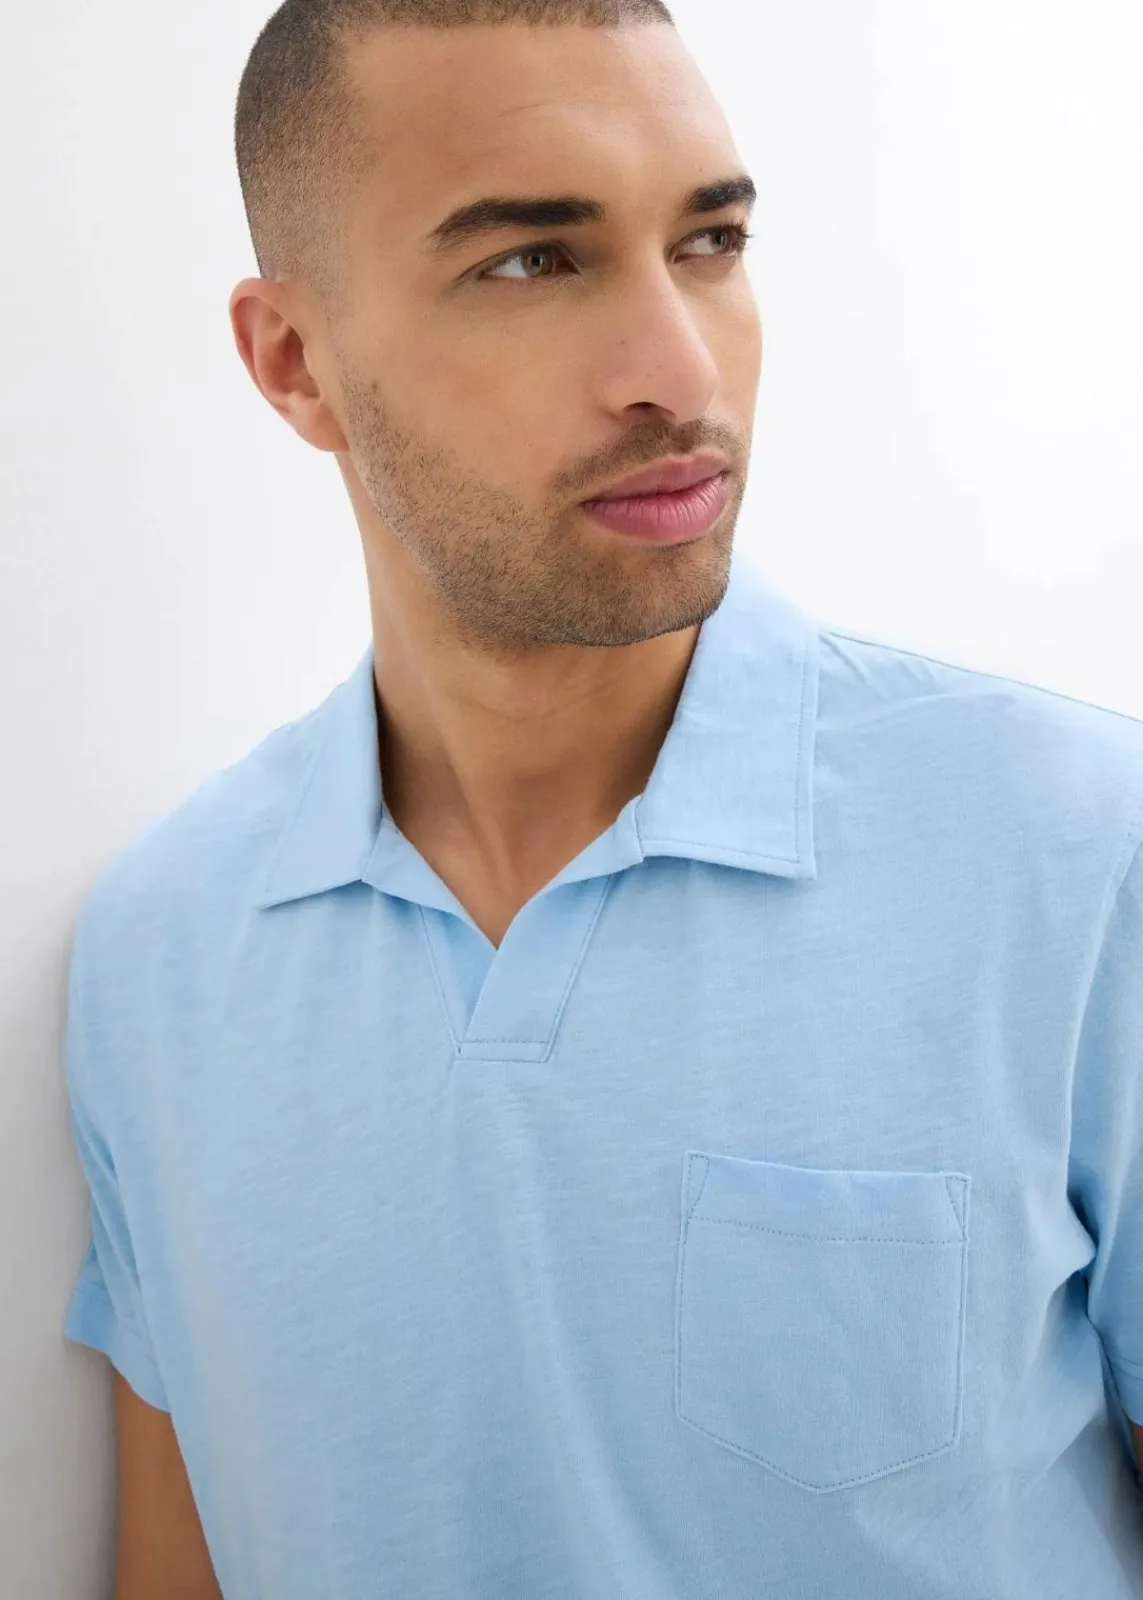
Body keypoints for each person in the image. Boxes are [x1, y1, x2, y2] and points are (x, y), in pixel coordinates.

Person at [61, 1, 1143, 1596]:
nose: (679, 371)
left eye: (708, 242)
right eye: (531, 260)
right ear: (294, 362)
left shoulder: (1076, 852)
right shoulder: (163, 954)